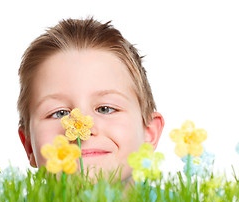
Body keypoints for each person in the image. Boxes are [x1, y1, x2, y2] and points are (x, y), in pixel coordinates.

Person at [17, 17, 164, 182]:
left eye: (105, 109)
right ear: (28, 145)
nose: (83, 131)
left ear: (149, 133)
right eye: (60, 113)